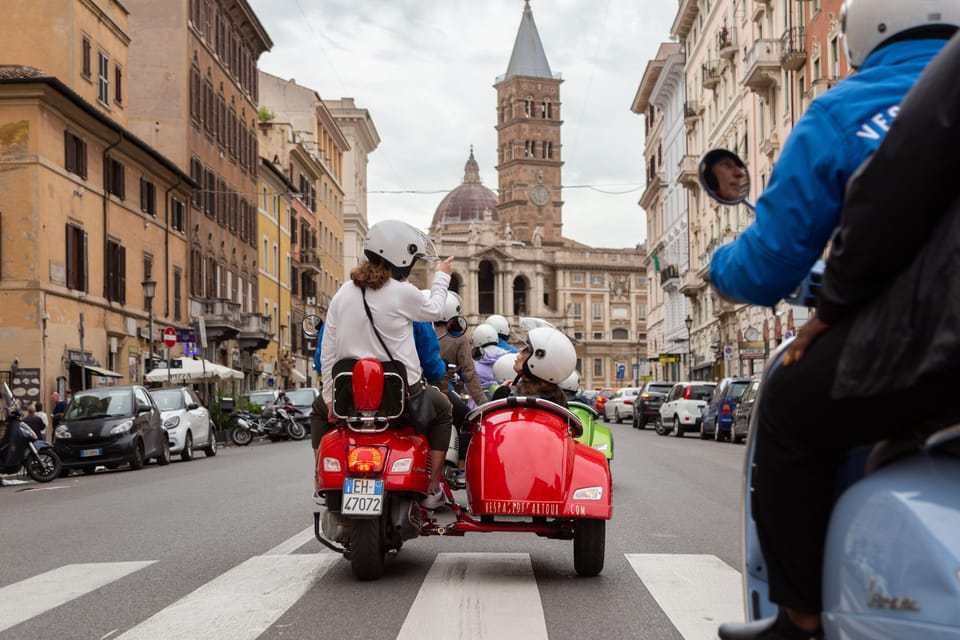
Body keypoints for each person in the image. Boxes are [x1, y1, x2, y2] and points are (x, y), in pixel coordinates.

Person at [715, 6, 960, 639]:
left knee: (790, 408)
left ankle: (799, 617)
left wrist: (723, 269)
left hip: (932, 337)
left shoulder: (847, 107)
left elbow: (774, 259)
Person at [710, 1, 960, 309]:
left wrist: (720, 264)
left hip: (913, 328)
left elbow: (768, 264)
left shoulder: (836, 113)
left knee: (797, 358)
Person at [321, 220, 454, 509]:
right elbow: (436, 309)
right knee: (443, 410)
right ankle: (432, 488)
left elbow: (328, 352)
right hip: (402, 397)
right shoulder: (400, 292)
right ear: (401, 257)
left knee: (319, 415)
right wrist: (442, 277)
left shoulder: (343, 293)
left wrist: (329, 398)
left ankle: (322, 483)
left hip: (350, 400)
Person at [424, 289, 485, 488]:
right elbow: (469, 374)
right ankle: (460, 468)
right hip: (441, 392)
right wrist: (484, 404)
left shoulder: (418, 330)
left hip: (412, 390)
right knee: (468, 420)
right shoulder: (459, 338)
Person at [511, 326, 577, 408]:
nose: (520, 350)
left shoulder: (509, 396)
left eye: (527, 349)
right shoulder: (559, 402)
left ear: (539, 356)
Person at [471, 323, 510, 393]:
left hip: (480, 401)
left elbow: (469, 386)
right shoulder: (508, 356)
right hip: (505, 398)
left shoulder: (473, 363)